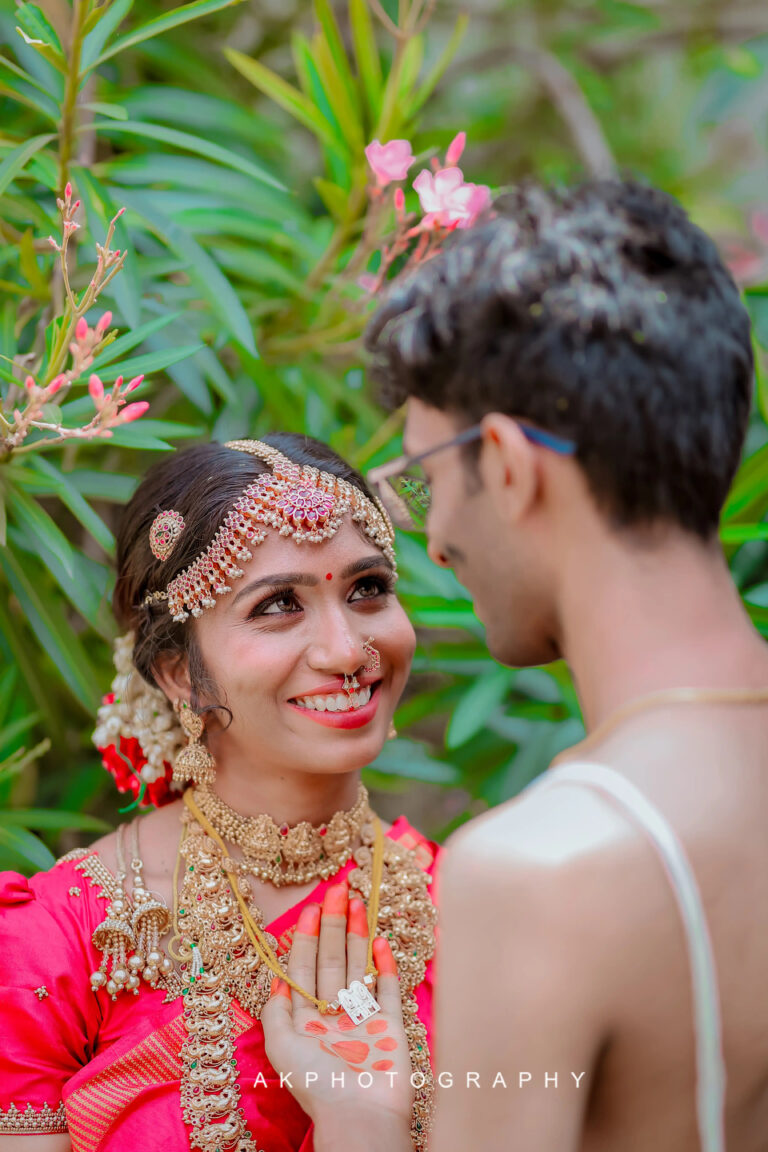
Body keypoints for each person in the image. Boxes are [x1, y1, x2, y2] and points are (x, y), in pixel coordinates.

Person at [260, 180, 768, 1152]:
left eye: (427, 478)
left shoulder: (544, 873)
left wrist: (362, 1124)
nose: (436, 537)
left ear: (505, 462)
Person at [0, 434, 439, 1151]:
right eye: (277, 606)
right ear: (177, 671)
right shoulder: (62, 945)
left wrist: (363, 1124)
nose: (346, 650)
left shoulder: (478, 909)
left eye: (367, 590)